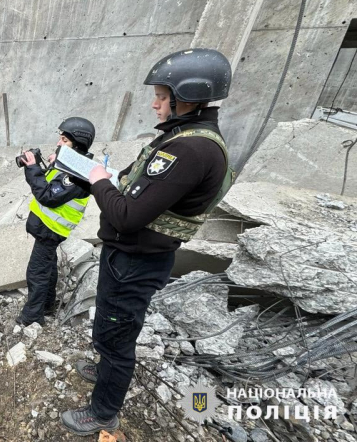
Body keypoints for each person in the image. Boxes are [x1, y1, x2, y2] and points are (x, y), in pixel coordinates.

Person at [60, 48, 236, 435]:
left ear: (188, 96)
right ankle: (105, 366)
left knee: (117, 335)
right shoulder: (182, 136)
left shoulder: (191, 149)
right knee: (110, 327)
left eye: (161, 96)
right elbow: (134, 186)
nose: (154, 104)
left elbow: (126, 214)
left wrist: (98, 180)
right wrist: (103, 177)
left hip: (136, 261)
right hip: (130, 255)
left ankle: (104, 411)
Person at [16, 117, 96, 327]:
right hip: (46, 228)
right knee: (48, 268)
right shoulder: (70, 164)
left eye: (64, 140)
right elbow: (50, 186)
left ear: (77, 145)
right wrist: (50, 165)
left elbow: (48, 197)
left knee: (37, 273)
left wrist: (31, 167)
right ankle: (47, 305)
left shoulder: (78, 174)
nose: (59, 143)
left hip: (50, 231)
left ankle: (32, 317)